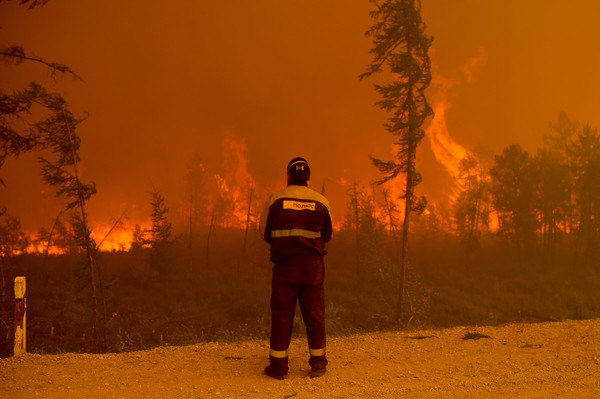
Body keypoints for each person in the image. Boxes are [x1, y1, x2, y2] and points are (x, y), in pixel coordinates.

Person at [259, 157, 333, 379]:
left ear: (289, 176)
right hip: (313, 269)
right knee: (315, 314)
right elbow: (327, 235)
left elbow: (265, 233)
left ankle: (279, 368)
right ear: (308, 178)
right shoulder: (321, 201)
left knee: (282, 315)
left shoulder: (276, 200)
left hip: (285, 268)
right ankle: (318, 364)